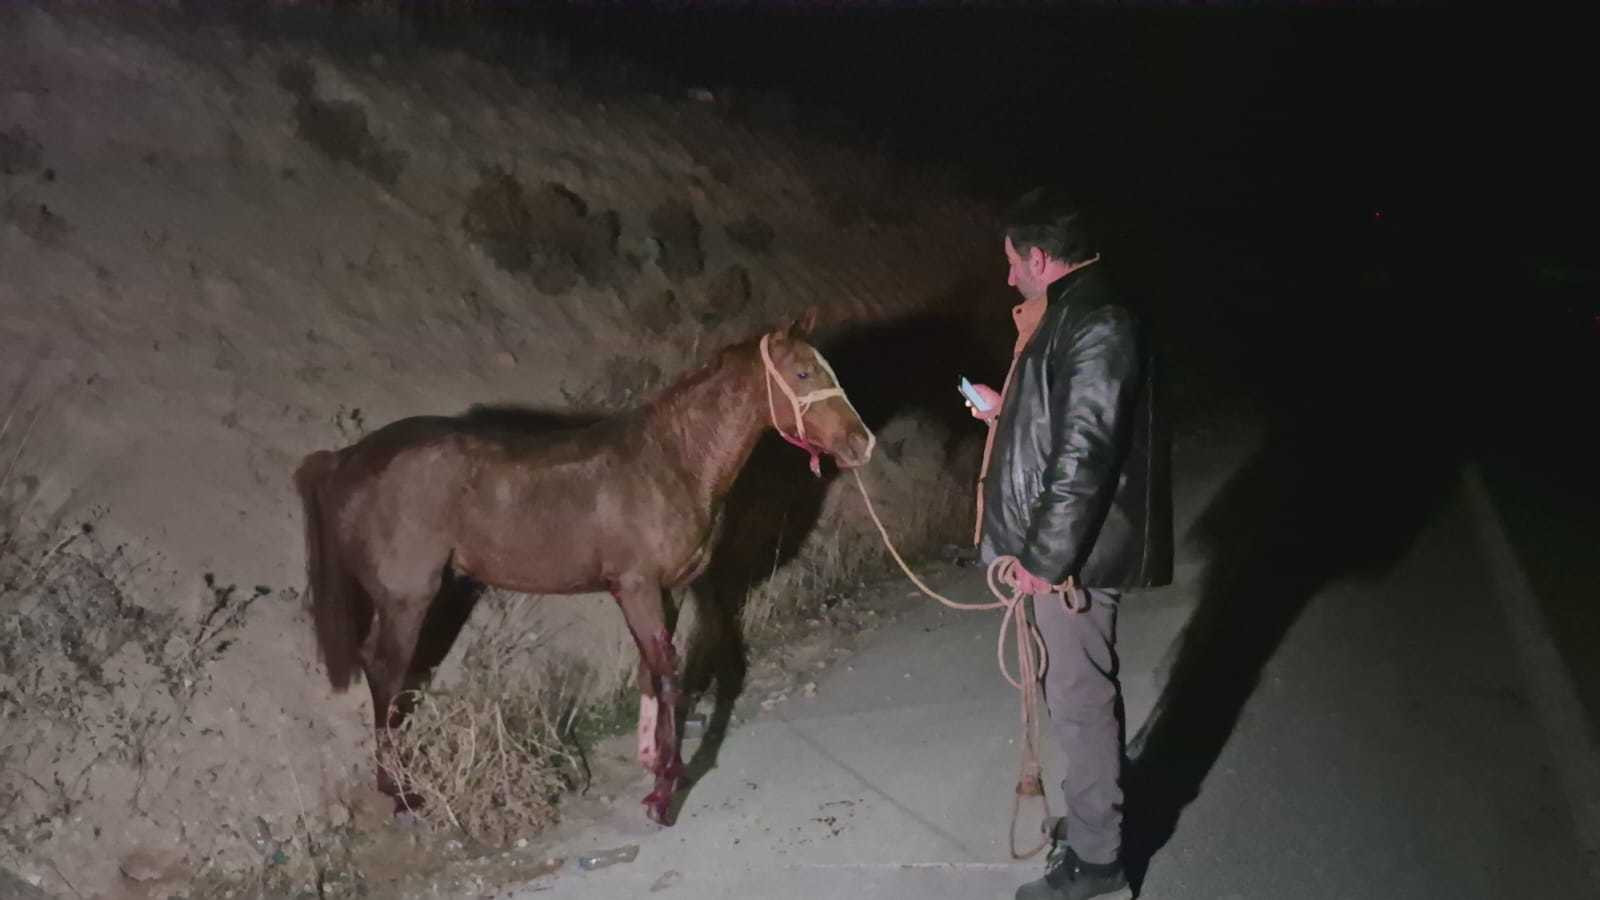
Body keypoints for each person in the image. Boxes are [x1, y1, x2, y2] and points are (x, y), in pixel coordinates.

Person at [966, 186, 1172, 900]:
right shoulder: (1072, 313)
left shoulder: (1097, 320)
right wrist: (1006, 406)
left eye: (1013, 261)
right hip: (1063, 555)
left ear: (1039, 256)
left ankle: (1099, 863)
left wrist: (1045, 562)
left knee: (1081, 699)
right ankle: (1092, 824)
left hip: (1073, 562)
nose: (1008, 276)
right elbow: (1063, 418)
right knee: (1070, 694)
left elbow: (1085, 453)